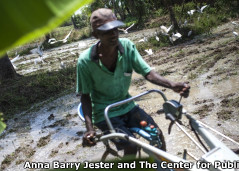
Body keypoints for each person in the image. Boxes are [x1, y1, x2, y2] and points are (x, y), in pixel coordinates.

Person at [76, 8, 190, 157]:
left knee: (157, 135)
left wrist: (173, 85)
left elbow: (148, 73)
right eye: (107, 31)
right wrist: (89, 129)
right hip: (105, 113)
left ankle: (163, 166)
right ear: (96, 35)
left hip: (128, 105)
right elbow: (85, 96)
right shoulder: (85, 62)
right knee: (131, 146)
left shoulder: (127, 47)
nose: (113, 34)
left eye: (115, 29)